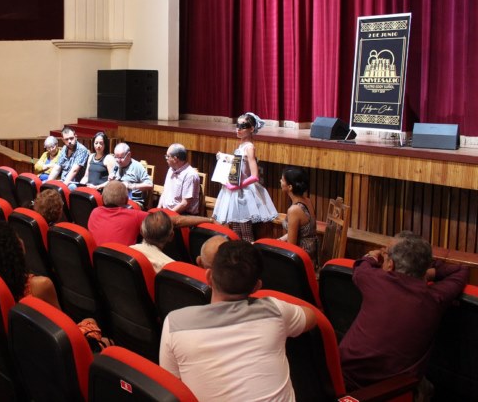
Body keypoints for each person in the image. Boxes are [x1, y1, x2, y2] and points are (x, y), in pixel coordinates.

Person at [160, 240, 316, 402]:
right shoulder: (275, 310)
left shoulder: (174, 323)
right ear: (257, 287)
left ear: (208, 277)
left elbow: (172, 388)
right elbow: (311, 316)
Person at [339, 231, 468, 393]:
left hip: (341, 380)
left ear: (390, 264)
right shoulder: (435, 297)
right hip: (392, 390)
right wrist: (429, 272)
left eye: (386, 255)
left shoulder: (374, 278)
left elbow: (361, 266)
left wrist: (372, 255)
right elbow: (461, 270)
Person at [212, 112, 278, 242]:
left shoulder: (249, 148)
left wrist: (237, 186)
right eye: (237, 126)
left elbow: (254, 176)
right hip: (236, 191)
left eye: (243, 126)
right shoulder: (242, 146)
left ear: (251, 129)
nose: (238, 129)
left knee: (246, 232)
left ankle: (247, 253)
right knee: (236, 231)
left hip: (244, 193)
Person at [0, 221, 60, 309]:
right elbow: (59, 318)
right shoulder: (41, 286)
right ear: (18, 249)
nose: (21, 240)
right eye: (18, 238)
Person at [88, 180, 148, 246]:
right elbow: (155, 218)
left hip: (97, 252)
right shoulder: (136, 216)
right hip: (123, 253)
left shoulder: (94, 212)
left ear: (102, 198)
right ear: (126, 200)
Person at [278, 167, 317, 260]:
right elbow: (299, 233)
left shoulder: (294, 210)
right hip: (311, 253)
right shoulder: (307, 201)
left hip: (301, 259)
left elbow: (291, 247)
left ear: (290, 187)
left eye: (282, 180)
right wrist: (279, 240)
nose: (280, 181)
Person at [157, 143, 200, 215]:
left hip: (182, 214)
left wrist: (167, 216)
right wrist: (158, 209)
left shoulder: (190, 175)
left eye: (168, 156)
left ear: (175, 159)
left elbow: (185, 203)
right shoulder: (171, 169)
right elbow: (165, 192)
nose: (166, 158)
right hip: (166, 212)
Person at [109, 142, 153, 207]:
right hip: (118, 200)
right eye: (116, 157)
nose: (118, 160)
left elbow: (150, 185)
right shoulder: (116, 164)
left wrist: (130, 186)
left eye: (121, 157)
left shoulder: (137, 166)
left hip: (134, 202)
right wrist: (111, 181)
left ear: (129, 155)